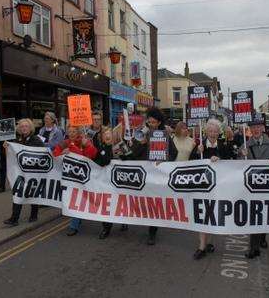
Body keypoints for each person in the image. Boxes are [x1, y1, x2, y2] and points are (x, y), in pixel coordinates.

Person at [124, 107, 178, 245]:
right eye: (150, 122)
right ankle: (125, 221)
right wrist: (141, 144)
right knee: (137, 201)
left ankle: (152, 232)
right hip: (144, 174)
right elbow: (134, 153)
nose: (151, 125)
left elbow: (174, 152)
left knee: (154, 203)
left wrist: (165, 160)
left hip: (157, 175)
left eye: (154, 122)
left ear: (159, 122)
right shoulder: (143, 134)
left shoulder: (165, 135)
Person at [243, 113, 269, 259]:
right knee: (254, 215)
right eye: (253, 127)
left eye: (258, 127)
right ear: (250, 129)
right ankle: (254, 248)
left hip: (268, 186)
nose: (255, 129)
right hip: (252, 187)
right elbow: (237, 167)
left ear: (262, 128)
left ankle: (262, 237)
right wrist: (241, 156)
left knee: (265, 213)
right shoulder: (245, 146)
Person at [190, 119, 227, 260]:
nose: (213, 134)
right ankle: (201, 246)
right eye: (210, 131)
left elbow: (231, 163)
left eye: (215, 131)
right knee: (202, 216)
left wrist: (220, 159)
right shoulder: (199, 146)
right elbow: (190, 164)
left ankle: (209, 243)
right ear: (206, 132)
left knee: (213, 216)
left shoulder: (223, 146)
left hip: (218, 188)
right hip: (202, 188)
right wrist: (196, 153)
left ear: (219, 132)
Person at [54, 126, 98, 236]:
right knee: (73, 200)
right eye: (70, 132)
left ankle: (74, 225)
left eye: (74, 131)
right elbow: (55, 155)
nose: (72, 133)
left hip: (81, 177)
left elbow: (91, 155)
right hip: (68, 177)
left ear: (78, 132)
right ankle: (77, 220)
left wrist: (78, 147)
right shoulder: (64, 143)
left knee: (77, 200)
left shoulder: (84, 142)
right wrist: (62, 153)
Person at [3, 119, 44, 226]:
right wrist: (7, 148)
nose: (24, 128)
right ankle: (14, 218)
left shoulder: (36, 140)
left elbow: (43, 154)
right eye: (22, 127)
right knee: (18, 193)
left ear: (30, 128)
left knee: (33, 193)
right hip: (20, 173)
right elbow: (12, 156)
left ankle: (34, 214)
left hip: (33, 173)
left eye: (26, 126)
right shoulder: (18, 140)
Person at [97, 127, 127, 239]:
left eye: (109, 134)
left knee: (121, 202)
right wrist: (109, 150)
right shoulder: (101, 148)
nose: (107, 136)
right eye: (105, 134)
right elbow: (103, 161)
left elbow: (130, 158)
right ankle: (106, 228)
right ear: (102, 137)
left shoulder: (121, 146)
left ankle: (124, 221)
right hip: (106, 182)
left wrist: (123, 153)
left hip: (120, 180)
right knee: (106, 204)